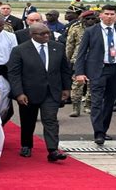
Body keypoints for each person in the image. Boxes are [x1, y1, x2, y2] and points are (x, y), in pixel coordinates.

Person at [7, 23, 72, 162]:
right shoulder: (20, 50)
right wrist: (19, 93)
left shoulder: (58, 47)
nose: (46, 36)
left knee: (50, 120)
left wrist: (66, 88)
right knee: (28, 121)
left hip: (51, 91)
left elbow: (64, 70)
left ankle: (53, 150)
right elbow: (14, 74)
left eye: (48, 33)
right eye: (42, 34)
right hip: (28, 93)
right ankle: (26, 145)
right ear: (32, 35)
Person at [75, 4, 116, 145]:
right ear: (100, 15)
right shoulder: (91, 31)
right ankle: (98, 132)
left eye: (112, 14)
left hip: (115, 70)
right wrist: (79, 72)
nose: (109, 16)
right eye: (106, 14)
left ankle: (104, 130)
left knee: (109, 102)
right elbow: (81, 53)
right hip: (98, 70)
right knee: (96, 102)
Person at [66, 10, 98, 117]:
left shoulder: (99, 29)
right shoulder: (75, 28)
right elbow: (70, 44)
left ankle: (88, 105)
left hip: (94, 60)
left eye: (93, 19)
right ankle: (75, 107)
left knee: (91, 84)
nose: (90, 21)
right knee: (77, 84)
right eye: (87, 19)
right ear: (82, 19)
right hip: (78, 59)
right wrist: (68, 59)